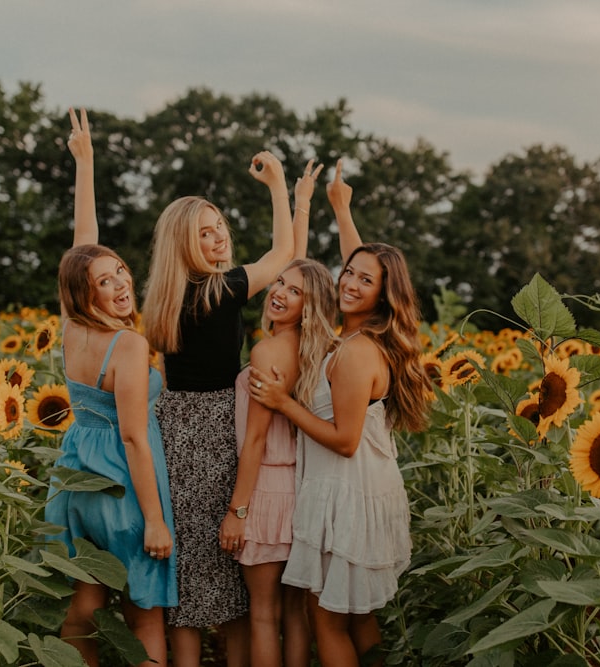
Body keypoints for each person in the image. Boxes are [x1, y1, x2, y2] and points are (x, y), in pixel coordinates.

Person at [249, 159, 429, 667]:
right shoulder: (354, 335)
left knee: (324, 618)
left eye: (363, 280)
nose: (349, 281)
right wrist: (339, 208)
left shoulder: (356, 352)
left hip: (345, 493)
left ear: (382, 294)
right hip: (355, 489)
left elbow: (345, 439)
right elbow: (367, 261)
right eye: (348, 272)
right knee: (357, 617)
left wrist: (284, 404)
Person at [139, 147, 296, 667]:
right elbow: (283, 256)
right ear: (185, 245)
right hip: (215, 430)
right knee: (230, 583)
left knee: (186, 586)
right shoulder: (218, 290)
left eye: (219, 226)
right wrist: (278, 186)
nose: (219, 236)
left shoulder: (164, 299)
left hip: (173, 428)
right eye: (204, 233)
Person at [45, 108, 176, 667]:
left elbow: (84, 245)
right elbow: (135, 438)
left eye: (121, 271)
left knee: (85, 602)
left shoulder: (73, 326)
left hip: (76, 474)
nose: (122, 283)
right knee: (144, 611)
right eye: (107, 281)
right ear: (88, 292)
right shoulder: (126, 346)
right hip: (123, 484)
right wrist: (153, 517)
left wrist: (86, 164)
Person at [217, 162, 326, 667]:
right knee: (295, 614)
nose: (278, 292)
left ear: (308, 305)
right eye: (277, 283)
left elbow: (255, 441)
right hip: (301, 491)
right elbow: (304, 273)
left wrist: (238, 511)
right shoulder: (318, 348)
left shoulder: (266, 353)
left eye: (291, 291)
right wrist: (299, 202)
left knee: (261, 613)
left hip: (263, 492)